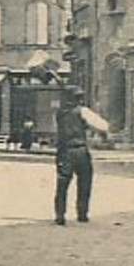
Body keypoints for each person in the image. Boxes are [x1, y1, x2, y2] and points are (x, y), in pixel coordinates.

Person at [54, 87, 97, 224]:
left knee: (62, 185)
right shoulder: (82, 112)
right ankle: (82, 213)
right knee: (85, 183)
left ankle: (60, 215)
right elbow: (98, 125)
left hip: (65, 151)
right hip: (81, 151)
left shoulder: (60, 114)